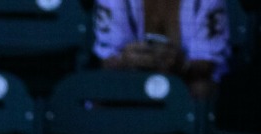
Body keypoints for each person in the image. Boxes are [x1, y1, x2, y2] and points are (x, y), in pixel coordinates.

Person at [94, 0, 228, 101]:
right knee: (103, 89)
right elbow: (106, 60)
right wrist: (124, 60)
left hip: (185, 84)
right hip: (129, 82)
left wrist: (182, 65)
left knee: (202, 87)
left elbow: (208, 62)